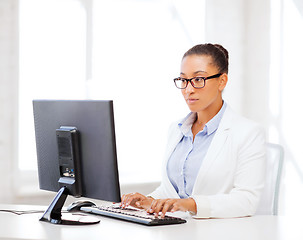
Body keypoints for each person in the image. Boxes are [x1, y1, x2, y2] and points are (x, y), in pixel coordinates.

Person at [121, 43, 266, 219]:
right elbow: (172, 190)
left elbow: (246, 201)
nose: (188, 89)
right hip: (177, 229)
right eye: (183, 80)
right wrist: (149, 200)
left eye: (198, 80)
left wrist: (190, 204)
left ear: (222, 81)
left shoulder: (248, 133)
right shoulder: (177, 129)